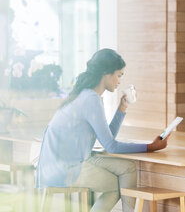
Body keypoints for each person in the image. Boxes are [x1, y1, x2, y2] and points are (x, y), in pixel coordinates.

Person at [36, 48, 169, 212]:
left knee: (127, 168)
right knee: (117, 184)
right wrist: (149, 147)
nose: (119, 81)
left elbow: (108, 139)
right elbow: (111, 146)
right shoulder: (91, 99)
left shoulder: (85, 95)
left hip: (61, 164)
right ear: (107, 73)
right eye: (119, 75)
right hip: (66, 168)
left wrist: (122, 107)